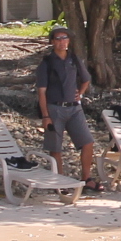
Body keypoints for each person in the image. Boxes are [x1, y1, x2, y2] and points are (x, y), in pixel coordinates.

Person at [34, 26, 99, 194]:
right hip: (54, 108)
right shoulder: (46, 63)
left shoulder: (74, 59)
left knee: (87, 142)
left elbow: (86, 79)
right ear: (52, 41)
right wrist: (45, 115)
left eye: (65, 38)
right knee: (56, 148)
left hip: (74, 108)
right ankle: (59, 182)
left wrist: (80, 93)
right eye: (58, 38)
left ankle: (86, 178)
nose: (62, 41)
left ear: (69, 41)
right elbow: (41, 91)